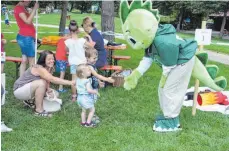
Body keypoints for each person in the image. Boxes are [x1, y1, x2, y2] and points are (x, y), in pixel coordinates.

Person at [13, 50, 75, 117]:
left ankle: (30, 101)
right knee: (41, 83)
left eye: (53, 59)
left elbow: (47, 80)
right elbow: (52, 79)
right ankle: (39, 111)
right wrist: (70, 82)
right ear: (43, 60)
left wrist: (48, 89)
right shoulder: (39, 68)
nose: (52, 61)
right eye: (49, 59)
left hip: (28, 88)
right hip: (19, 90)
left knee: (55, 93)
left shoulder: (49, 67)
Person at [64, 20, 95, 101]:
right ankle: (84, 94)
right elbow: (92, 46)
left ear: (69, 31)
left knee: (73, 81)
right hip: (82, 63)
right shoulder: (82, 40)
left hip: (73, 63)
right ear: (78, 30)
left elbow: (66, 50)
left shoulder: (67, 41)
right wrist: (88, 36)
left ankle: (74, 96)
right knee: (84, 79)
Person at [14, 0, 39, 77]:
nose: (29, 2)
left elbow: (29, 20)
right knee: (32, 60)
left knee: (24, 60)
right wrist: (34, 9)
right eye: (28, 1)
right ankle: (32, 81)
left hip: (25, 37)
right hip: (26, 38)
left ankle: (21, 81)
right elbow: (27, 21)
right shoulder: (19, 9)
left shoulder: (22, 8)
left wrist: (32, 11)